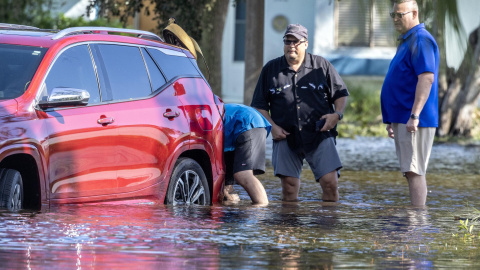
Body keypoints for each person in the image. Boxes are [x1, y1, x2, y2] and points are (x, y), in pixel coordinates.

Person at [251, 24, 348, 202]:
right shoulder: (271, 69)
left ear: (306, 44)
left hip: (320, 134)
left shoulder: (322, 65)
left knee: (330, 183)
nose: (291, 45)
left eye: (296, 41)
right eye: (288, 41)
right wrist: (272, 127)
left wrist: (337, 115)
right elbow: (259, 105)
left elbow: (340, 94)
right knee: (289, 188)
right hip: (286, 136)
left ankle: (328, 227)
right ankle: (290, 227)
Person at [380, 0, 439, 206]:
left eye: (400, 14)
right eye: (393, 15)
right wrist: (391, 119)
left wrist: (414, 115)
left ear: (414, 13)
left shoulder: (421, 40)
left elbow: (426, 78)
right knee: (409, 169)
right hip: (403, 117)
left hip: (414, 118)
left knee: (414, 170)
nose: (395, 19)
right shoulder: (408, 40)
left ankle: (417, 222)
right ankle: (415, 222)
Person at [223, 103, 271, 205]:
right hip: (239, 128)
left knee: (242, 174)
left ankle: (261, 208)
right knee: (224, 182)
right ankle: (230, 203)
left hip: (247, 123)